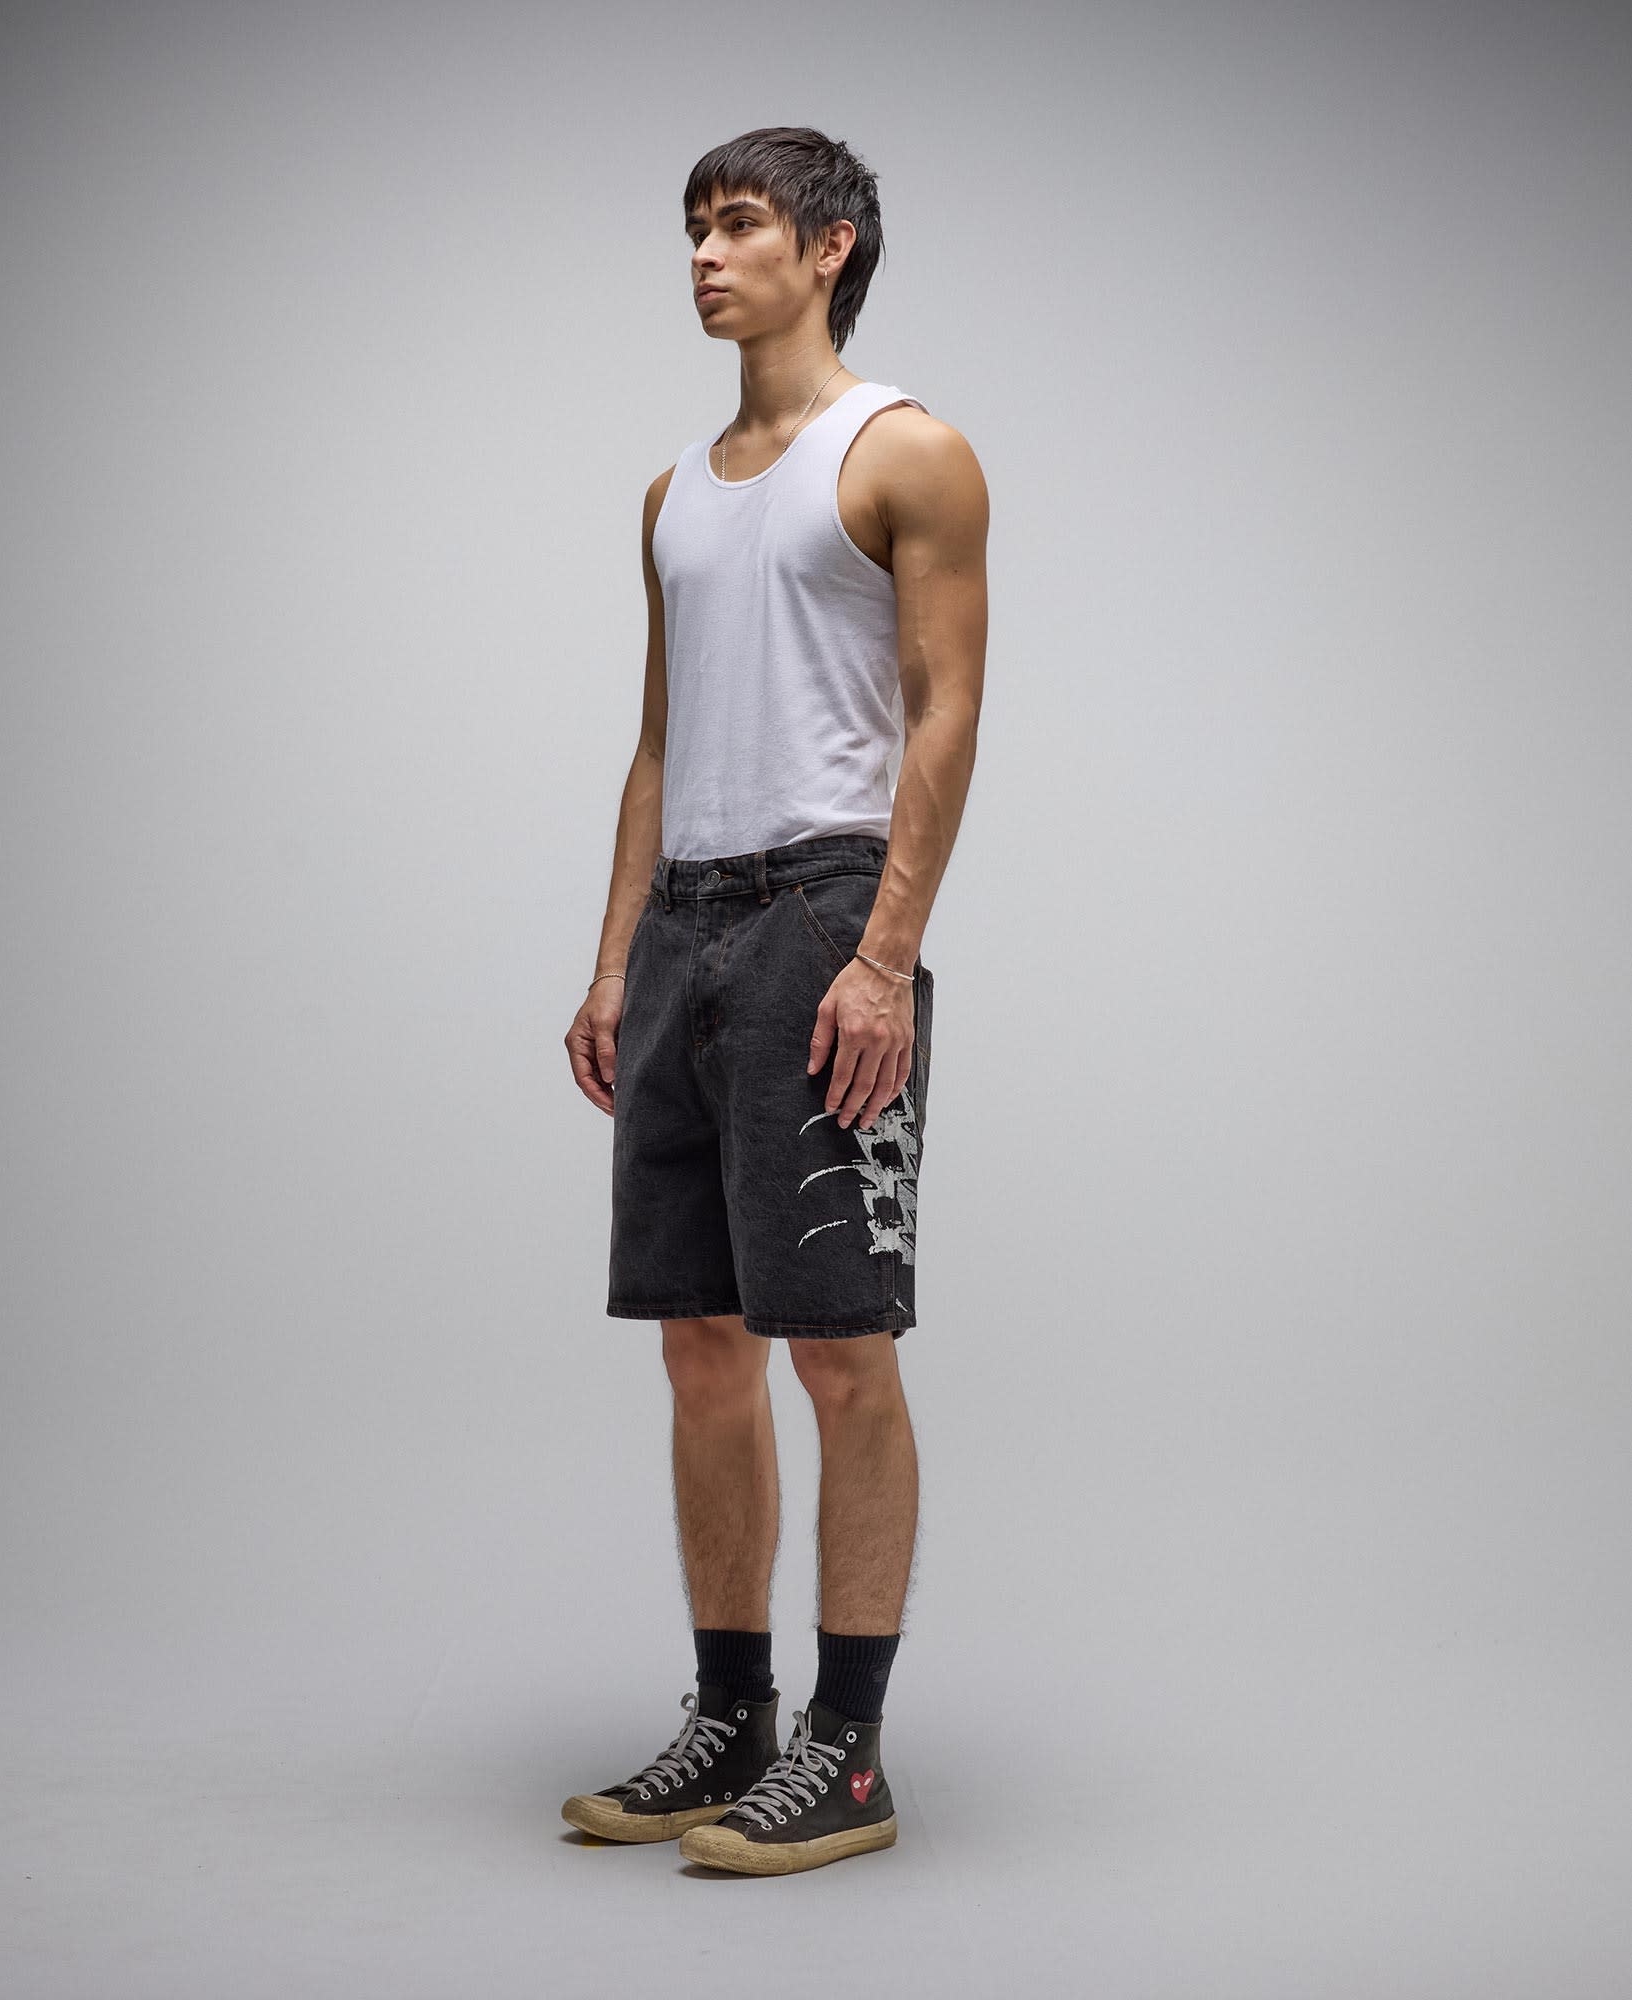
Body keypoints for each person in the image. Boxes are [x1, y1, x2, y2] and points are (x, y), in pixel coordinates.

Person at [560, 126, 987, 1875]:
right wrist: (615, 958)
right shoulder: (672, 493)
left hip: (822, 909)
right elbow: (658, 742)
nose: (702, 255)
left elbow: (945, 711)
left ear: (829, 249)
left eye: (737, 224)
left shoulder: (905, 452)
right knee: (696, 1342)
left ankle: (849, 1755)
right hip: (686, 920)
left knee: (835, 1345)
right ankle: (729, 1715)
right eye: (691, 225)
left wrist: (884, 953)